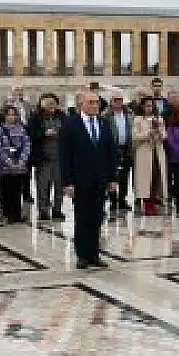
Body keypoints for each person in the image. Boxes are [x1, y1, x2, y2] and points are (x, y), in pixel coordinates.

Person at [61, 90, 118, 270]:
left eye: (97, 102)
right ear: (81, 104)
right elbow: (65, 156)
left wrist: (112, 178)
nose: (95, 105)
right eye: (91, 102)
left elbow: (111, 153)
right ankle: (82, 255)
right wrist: (67, 182)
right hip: (80, 180)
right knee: (82, 217)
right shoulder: (70, 125)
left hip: (100, 179)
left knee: (97, 217)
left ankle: (94, 254)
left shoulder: (104, 123)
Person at [28, 93, 67, 221]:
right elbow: (31, 133)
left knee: (59, 186)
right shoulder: (36, 117)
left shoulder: (62, 116)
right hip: (43, 158)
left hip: (60, 158)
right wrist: (44, 133)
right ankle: (43, 211)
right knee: (42, 186)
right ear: (42, 104)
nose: (51, 106)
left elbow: (68, 133)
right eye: (48, 103)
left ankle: (57, 210)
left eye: (53, 103)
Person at [132, 96, 169, 216]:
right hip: (144, 152)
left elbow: (164, 135)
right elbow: (135, 136)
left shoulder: (159, 119)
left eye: (151, 105)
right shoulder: (138, 119)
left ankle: (154, 202)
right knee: (145, 179)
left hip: (157, 151)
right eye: (147, 105)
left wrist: (158, 132)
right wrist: (148, 133)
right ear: (142, 106)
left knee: (156, 177)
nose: (149, 107)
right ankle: (147, 204)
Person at [0, 104, 31, 223]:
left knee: (17, 190)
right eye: (9, 114)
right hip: (5, 167)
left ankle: (16, 214)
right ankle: (5, 214)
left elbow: (27, 145)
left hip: (19, 166)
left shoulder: (21, 129)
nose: (11, 117)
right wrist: (8, 161)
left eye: (13, 114)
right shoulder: (0, 130)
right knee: (6, 191)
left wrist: (22, 160)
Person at [102, 90, 134, 213]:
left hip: (126, 148)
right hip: (112, 149)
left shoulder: (129, 114)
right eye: (115, 100)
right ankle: (113, 200)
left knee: (124, 176)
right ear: (111, 101)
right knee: (112, 175)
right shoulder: (106, 115)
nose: (118, 102)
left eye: (120, 100)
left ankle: (122, 199)